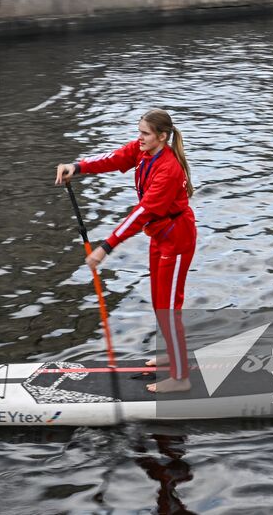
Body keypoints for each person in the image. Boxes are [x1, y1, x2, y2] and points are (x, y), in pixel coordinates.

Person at [55, 109, 197, 394]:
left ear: (162, 136)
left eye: (145, 133)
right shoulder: (143, 150)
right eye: (139, 132)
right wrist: (78, 167)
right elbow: (114, 159)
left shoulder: (169, 169)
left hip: (177, 238)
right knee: (160, 303)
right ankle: (172, 356)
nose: (139, 138)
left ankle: (181, 378)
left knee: (169, 308)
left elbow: (142, 212)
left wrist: (106, 247)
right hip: (160, 236)